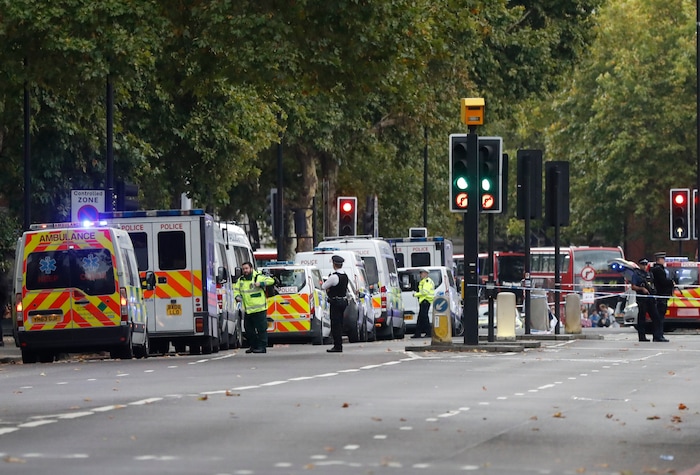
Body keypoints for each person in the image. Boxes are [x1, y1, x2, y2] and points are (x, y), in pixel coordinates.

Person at [234, 261, 275, 353]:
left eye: (247, 268)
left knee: (261, 329)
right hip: (248, 310)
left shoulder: (258, 277)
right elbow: (236, 290)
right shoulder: (240, 280)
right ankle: (253, 346)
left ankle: (262, 347)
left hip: (259, 309)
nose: (245, 271)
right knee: (248, 330)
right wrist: (237, 296)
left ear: (251, 269)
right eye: (243, 269)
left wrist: (261, 283)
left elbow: (271, 280)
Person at [630, 257, 667, 342]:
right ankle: (642, 337)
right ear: (639, 265)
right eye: (642, 264)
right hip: (642, 299)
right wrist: (641, 289)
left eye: (645, 264)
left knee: (656, 317)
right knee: (642, 318)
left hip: (650, 298)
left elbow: (652, 284)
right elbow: (633, 287)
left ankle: (657, 336)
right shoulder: (637, 274)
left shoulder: (649, 274)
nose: (644, 266)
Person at [322, 255, 349, 353]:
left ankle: (337, 346)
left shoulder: (334, 277)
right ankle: (338, 344)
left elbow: (323, 286)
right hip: (343, 301)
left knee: (335, 324)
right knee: (340, 323)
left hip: (336, 302)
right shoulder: (345, 275)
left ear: (334, 264)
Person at [650, 252, 674, 338]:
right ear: (659, 259)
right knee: (660, 316)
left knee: (659, 317)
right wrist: (671, 282)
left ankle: (658, 335)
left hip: (660, 295)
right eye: (663, 259)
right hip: (661, 295)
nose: (664, 260)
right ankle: (658, 335)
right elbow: (663, 282)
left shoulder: (655, 269)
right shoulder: (658, 270)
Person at [411, 269, 435, 338]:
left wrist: (415, 294)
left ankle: (429, 332)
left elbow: (424, 292)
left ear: (425, 274)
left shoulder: (427, 282)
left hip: (425, 300)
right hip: (424, 301)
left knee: (424, 317)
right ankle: (417, 333)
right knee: (420, 318)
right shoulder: (424, 281)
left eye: (421, 273)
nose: (420, 275)